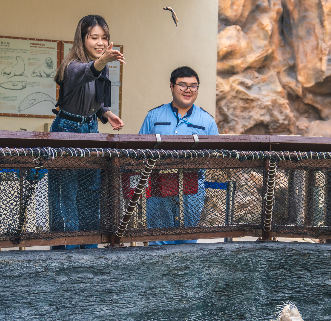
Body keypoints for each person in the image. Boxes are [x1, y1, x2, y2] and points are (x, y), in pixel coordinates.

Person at [49, 14, 125, 249]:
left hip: (91, 129)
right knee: (66, 193)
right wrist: (103, 61)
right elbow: (87, 72)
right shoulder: (71, 65)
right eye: (94, 37)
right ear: (82, 39)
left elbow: (100, 101)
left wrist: (106, 114)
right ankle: (67, 248)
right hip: (67, 130)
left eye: (104, 38)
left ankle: (90, 245)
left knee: (91, 190)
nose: (100, 42)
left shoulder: (104, 67)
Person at [138, 66, 218, 245]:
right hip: (159, 182)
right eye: (182, 84)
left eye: (193, 85)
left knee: (187, 236)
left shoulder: (207, 121)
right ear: (172, 86)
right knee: (158, 235)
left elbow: (213, 156)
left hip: (192, 185)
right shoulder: (154, 116)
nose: (188, 90)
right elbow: (140, 151)